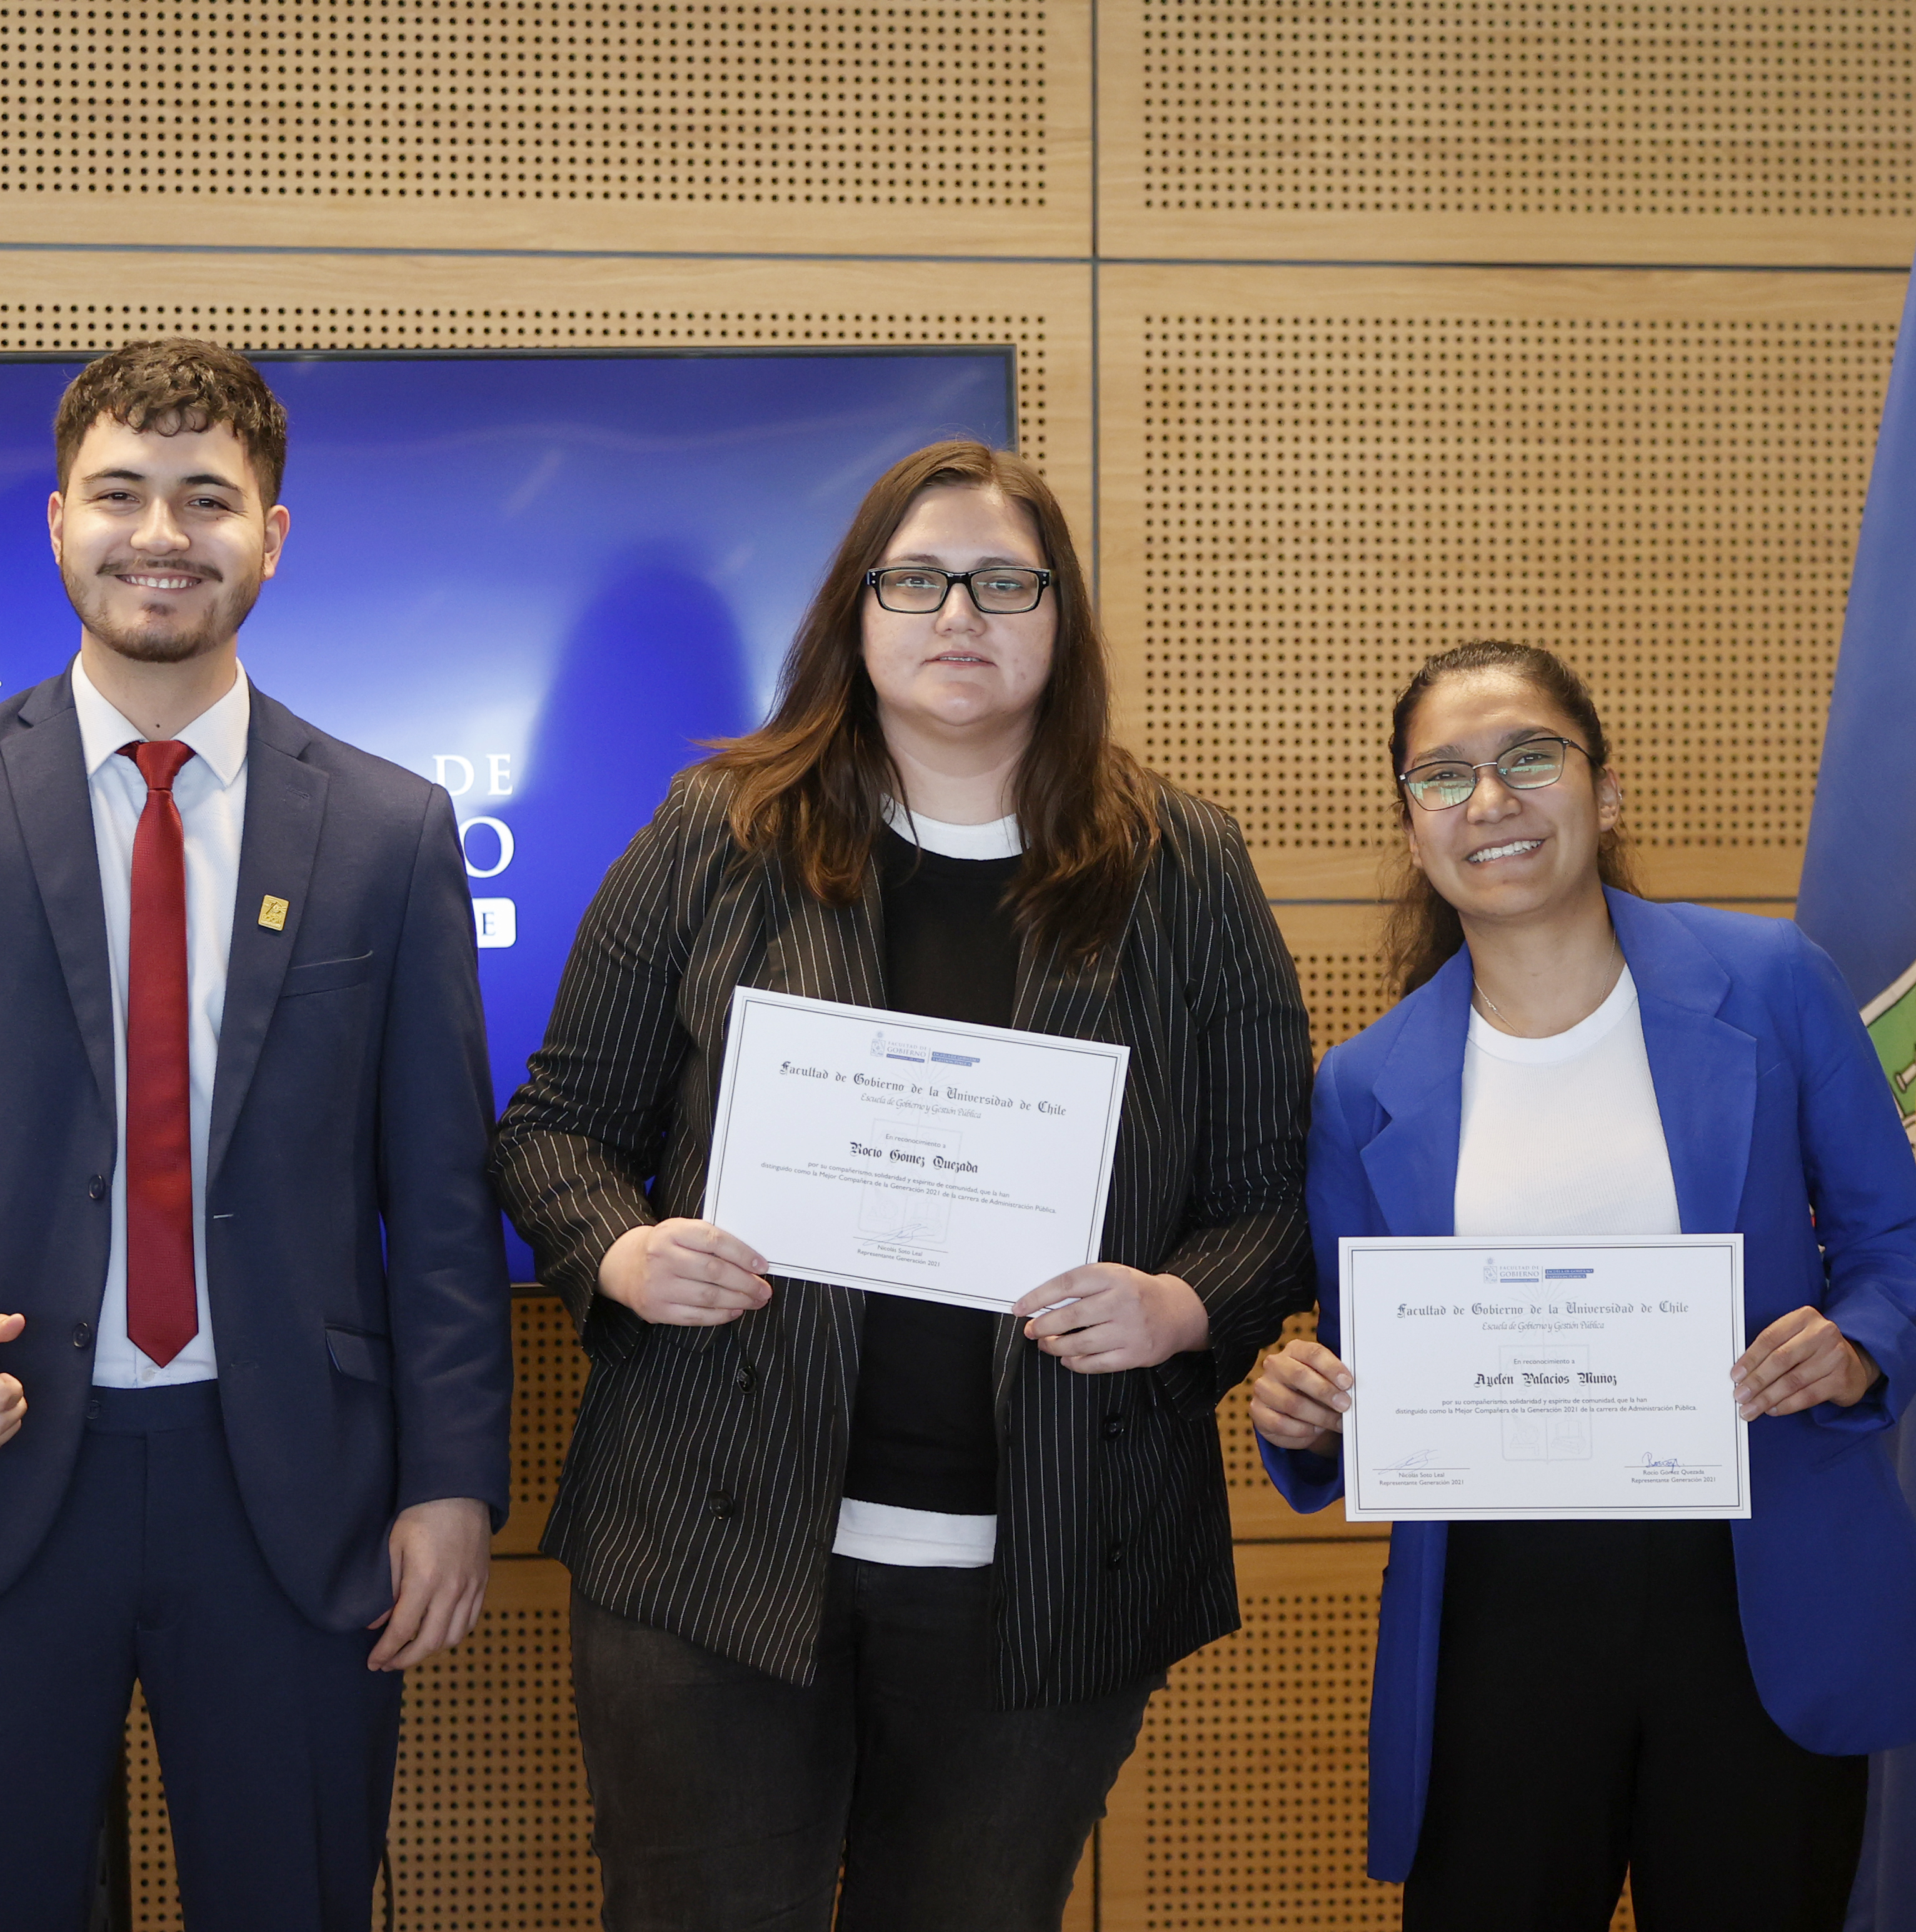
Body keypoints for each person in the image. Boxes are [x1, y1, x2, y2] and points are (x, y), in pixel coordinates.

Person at [492, 439, 1313, 1931]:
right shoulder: (718, 832)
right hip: (712, 1547)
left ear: (1059, 621)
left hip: (1043, 1571)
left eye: (1007, 583)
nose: (961, 615)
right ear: (855, 613)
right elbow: (553, 1126)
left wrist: (1184, 1303)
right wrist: (620, 1254)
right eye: (917, 578)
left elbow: (1271, 1193)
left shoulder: (1181, 866)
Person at [0, 339, 512, 1932]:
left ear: (273, 534)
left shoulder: (387, 831)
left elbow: (440, 1191)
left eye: (207, 498)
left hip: (292, 1494)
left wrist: (455, 1479)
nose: (161, 534)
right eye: (120, 494)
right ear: (58, 523)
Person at [1249, 641, 1916, 1932]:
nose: (1492, 799)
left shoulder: (1774, 985)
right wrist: (1306, 1403)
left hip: (1758, 1596)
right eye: (1444, 776)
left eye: (1530, 757)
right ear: (1412, 829)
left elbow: (1896, 1246)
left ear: (1606, 789)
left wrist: (1854, 1347)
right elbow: (1368, 1374)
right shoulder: (1363, 1086)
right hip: (1498, 1621)